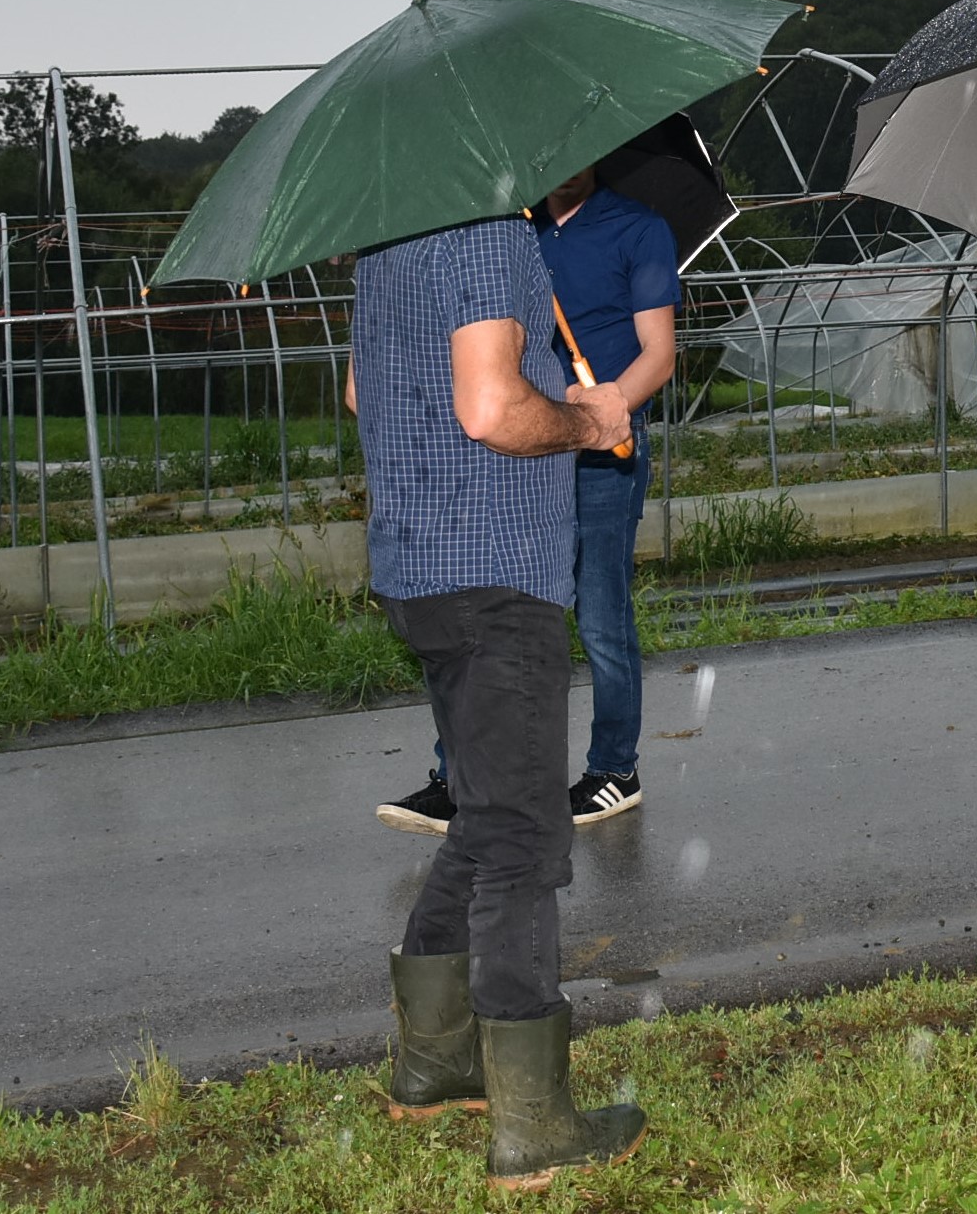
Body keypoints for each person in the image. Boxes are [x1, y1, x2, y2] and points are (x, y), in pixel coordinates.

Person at [346, 213, 646, 1190]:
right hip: (494, 573)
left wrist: (553, 390)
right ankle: (533, 1124)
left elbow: (362, 392)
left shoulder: (385, 242)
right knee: (522, 835)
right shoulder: (488, 237)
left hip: (417, 565)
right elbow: (487, 409)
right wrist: (583, 419)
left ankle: (433, 1060)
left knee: (482, 818)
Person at [375, 168, 679, 832]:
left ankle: (613, 768)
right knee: (498, 609)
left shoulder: (639, 228)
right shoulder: (506, 232)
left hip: (602, 447)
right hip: (527, 447)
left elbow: (659, 354)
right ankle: (457, 775)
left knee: (600, 612)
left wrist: (607, 410)